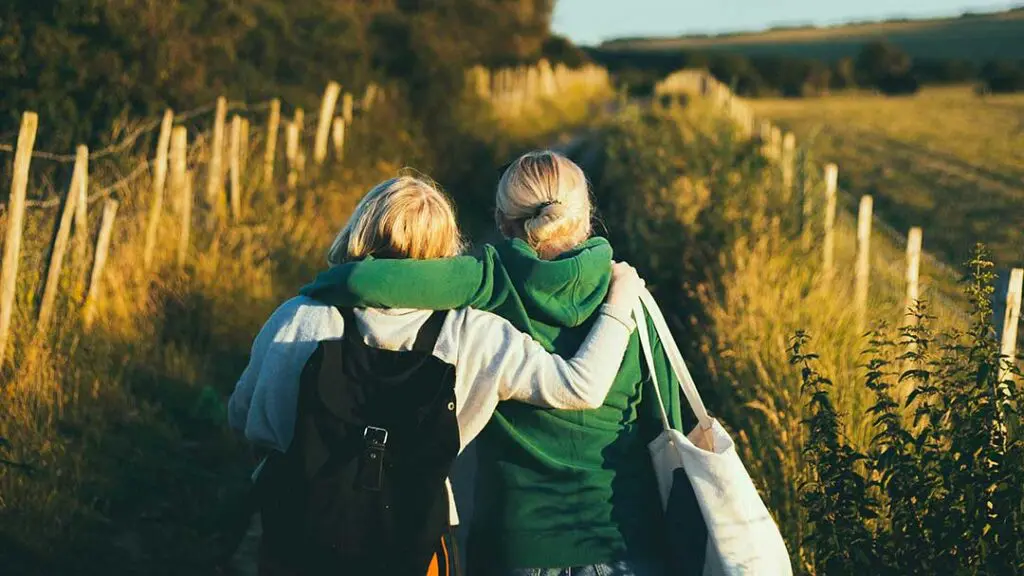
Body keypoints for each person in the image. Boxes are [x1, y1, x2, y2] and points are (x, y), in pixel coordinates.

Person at [228, 175, 647, 575]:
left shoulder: (300, 316)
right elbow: (580, 386)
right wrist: (620, 302)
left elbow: (246, 417)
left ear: (358, 230)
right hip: (416, 541)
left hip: (299, 534)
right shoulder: (474, 333)